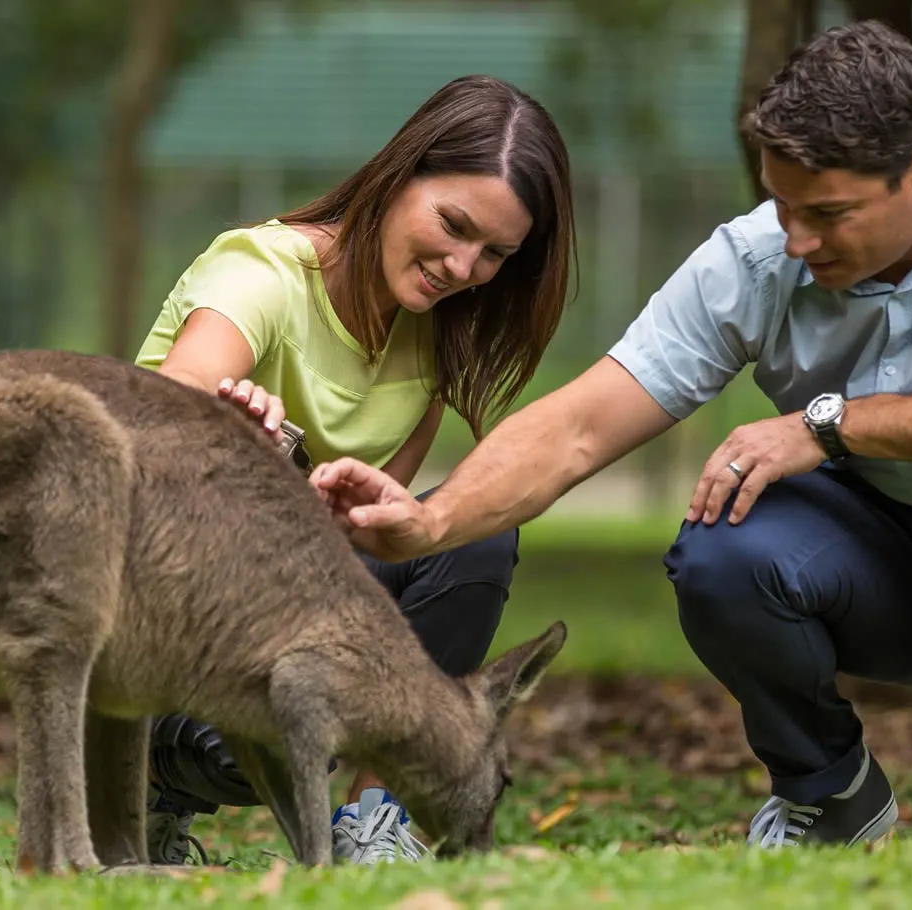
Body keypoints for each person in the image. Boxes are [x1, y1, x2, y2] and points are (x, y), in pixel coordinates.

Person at [308, 21, 912, 848]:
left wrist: (828, 427)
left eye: (826, 214)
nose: (795, 240)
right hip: (884, 574)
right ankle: (829, 795)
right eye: (780, 204)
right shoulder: (758, 257)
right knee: (720, 546)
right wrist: (432, 521)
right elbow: (579, 426)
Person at [130, 73, 577, 865]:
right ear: (400, 173)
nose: (463, 266)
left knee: (472, 537)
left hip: (298, 607)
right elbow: (175, 400)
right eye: (453, 224)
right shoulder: (262, 273)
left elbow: (372, 540)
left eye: (494, 254)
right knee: (269, 726)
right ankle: (155, 785)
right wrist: (224, 441)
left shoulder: (431, 329)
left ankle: (375, 818)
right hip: (176, 619)